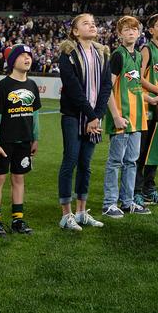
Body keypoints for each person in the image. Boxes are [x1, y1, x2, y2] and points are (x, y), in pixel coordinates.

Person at [57, 13, 112, 232]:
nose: (92, 26)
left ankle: (81, 212)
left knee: (86, 166)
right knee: (70, 161)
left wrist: (96, 116)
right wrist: (91, 115)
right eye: (85, 23)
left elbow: (106, 86)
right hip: (73, 115)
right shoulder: (68, 53)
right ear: (75, 31)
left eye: (93, 23)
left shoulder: (103, 53)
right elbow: (73, 88)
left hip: (93, 117)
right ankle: (66, 214)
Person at [0, 44, 41, 237]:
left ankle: (17, 219)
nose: (27, 58)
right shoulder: (3, 86)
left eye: (29, 55)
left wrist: (35, 138)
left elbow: (35, 115)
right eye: (22, 55)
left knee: (19, 178)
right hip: (4, 142)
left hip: (25, 141)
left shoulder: (32, 85)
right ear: (12, 61)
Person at [102, 15, 151, 218]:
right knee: (116, 162)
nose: (131, 32)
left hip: (137, 119)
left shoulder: (138, 56)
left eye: (134, 29)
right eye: (127, 30)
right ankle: (109, 204)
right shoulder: (118, 55)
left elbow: (135, 87)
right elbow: (107, 88)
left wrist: (150, 99)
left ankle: (127, 201)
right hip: (121, 118)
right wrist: (115, 116)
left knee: (132, 162)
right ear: (119, 34)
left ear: (139, 33)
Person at [134, 14, 158, 207]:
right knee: (142, 151)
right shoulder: (146, 49)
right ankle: (136, 191)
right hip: (147, 106)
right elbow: (138, 78)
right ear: (151, 30)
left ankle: (150, 189)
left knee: (155, 150)